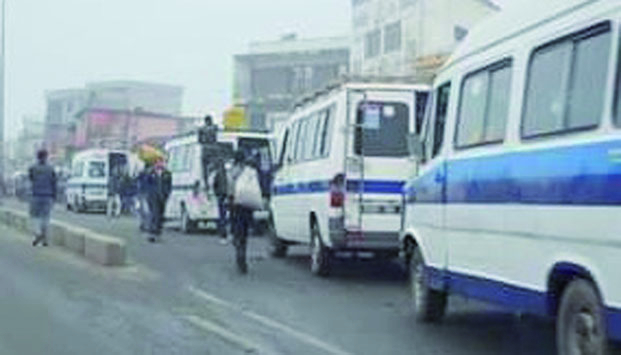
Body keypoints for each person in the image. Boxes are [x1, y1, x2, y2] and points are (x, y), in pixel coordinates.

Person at [228, 150, 259, 274]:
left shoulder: (233, 171)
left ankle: (239, 253)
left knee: (237, 231)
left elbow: (230, 188)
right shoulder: (250, 171)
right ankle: (242, 257)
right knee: (244, 232)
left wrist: (230, 199)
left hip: (236, 205)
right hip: (248, 205)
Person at [28, 149, 57, 247]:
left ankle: (38, 233)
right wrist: (54, 196)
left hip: (36, 195)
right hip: (48, 195)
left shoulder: (32, 168)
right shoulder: (51, 168)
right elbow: (54, 183)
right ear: (46, 157)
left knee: (34, 216)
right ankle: (45, 238)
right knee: (46, 217)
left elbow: (31, 179)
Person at [146, 158, 172, 243]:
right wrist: (149, 194)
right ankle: (152, 233)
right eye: (157, 162)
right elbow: (146, 184)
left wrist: (166, 194)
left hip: (162, 197)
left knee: (160, 215)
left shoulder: (167, 173)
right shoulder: (151, 173)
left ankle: (158, 233)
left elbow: (169, 185)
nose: (160, 164)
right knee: (154, 214)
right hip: (153, 197)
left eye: (161, 162)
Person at [213, 158, 229, 242]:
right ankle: (225, 234)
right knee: (225, 216)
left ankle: (223, 235)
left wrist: (216, 193)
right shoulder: (227, 174)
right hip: (227, 196)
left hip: (221, 196)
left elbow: (214, 185)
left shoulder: (217, 174)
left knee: (222, 216)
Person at [136, 163, 152, 231]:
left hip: (143, 193)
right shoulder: (148, 174)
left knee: (143, 211)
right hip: (145, 193)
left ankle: (143, 224)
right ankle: (145, 225)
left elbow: (137, 181)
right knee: (146, 211)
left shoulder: (142, 174)